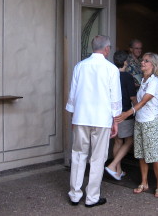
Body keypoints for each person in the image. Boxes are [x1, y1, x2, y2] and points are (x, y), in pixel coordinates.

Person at [66, 35, 122, 208]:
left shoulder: (80, 66)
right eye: (109, 48)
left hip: (81, 117)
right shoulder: (111, 69)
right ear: (106, 49)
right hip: (102, 119)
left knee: (78, 154)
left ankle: (75, 195)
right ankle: (92, 197)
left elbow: (73, 95)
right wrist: (116, 120)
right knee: (98, 158)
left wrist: (72, 117)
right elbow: (115, 97)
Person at [115, 52, 158, 198]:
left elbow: (143, 102)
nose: (142, 62)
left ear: (153, 65)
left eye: (146, 61)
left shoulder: (154, 82)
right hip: (140, 121)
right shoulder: (143, 80)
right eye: (142, 60)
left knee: (154, 155)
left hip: (151, 122)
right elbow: (137, 100)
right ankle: (144, 182)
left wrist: (127, 113)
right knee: (141, 154)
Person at [105, 50, 137, 180]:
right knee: (129, 141)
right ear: (125, 62)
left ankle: (118, 171)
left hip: (113, 113)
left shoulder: (110, 75)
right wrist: (138, 107)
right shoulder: (128, 77)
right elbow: (132, 97)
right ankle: (113, 166)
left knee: (118, 141)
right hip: (125, 113)